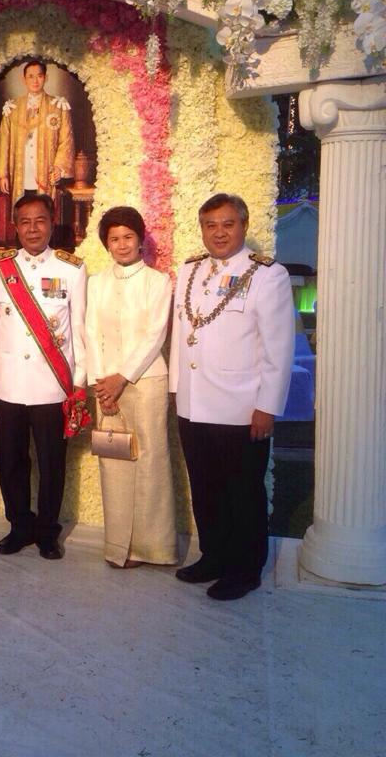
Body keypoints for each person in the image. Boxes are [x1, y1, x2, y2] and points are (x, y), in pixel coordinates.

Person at [170, 193, 295, 601]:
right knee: (205, 488)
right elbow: (182, 337)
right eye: (211, 225)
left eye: (228, 224)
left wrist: (267, 407)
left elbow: (278, 348)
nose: (219, 233)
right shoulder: (189, 270)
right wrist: (177, 393)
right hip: (193, 403)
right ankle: (214, 556)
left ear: (243, 225)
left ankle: (245, 569)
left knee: (243, 492)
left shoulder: (267, 275)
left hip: (241, 407)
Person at [0, 192, 87, 560]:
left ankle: (47, 531)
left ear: (51, 223)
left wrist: (78, 382)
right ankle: (19, 527)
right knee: (12, 460)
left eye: (39, 220)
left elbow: (80, 329)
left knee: (52, 462)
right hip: (9, 382)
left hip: (52, 385)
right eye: (24, 222)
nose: (32, 228)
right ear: (15, 226)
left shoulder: (72, 269)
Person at [86, 206, 177, 569]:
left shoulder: (159, 282)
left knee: (150, 459)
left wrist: (122, 377)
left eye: (128, 237)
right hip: (105, 387)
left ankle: (153, 548)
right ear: (106, 243)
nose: (122, 244)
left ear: (140, 240)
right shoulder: (96, 283)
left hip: (146, 381)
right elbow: (90, 332)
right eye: (114, 239)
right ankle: (118, 548)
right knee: (114, 461)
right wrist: (102, 384)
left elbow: (156, 335)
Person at [0, 57, 75, 203]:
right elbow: (3, 141)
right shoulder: (13, 108)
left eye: (39, 76)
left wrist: (59, 168)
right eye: (30, 76)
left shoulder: (58, 106)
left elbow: (66, 140)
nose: (35, 81)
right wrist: (3, 175)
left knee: (44, 209)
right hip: (20, 171)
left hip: (45, 171)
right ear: (24, 79)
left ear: (45, 78)